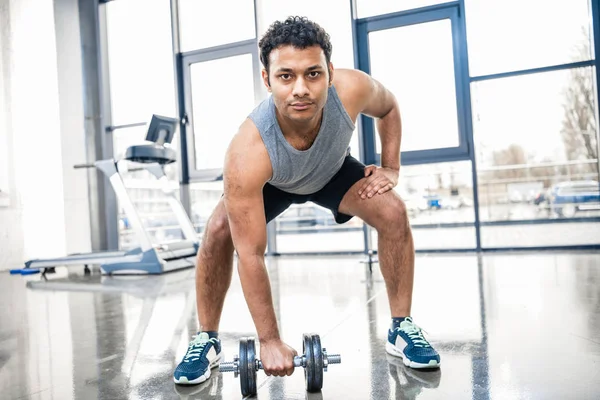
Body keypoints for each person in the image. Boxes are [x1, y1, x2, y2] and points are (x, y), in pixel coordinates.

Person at [173, 16, 440, 385]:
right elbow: (250, 254)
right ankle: (206, 339)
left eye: (313, 74)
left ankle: (401, 327)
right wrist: (268, 340)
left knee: (393, 211)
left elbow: (389, 107)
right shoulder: (247, 152)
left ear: (329, 73)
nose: (301, 89)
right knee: (219, 230)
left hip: (331, 172)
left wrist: (391, 167)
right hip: (276, 183)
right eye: (286, 76)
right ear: (267, 79)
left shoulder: (352, 88)